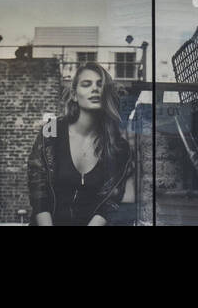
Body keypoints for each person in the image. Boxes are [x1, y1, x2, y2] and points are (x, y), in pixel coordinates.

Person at [28, 61, 134, 225]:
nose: (95, 89)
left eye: (101, 85)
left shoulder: (119, 147)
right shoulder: (52, 131)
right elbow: (39, 194)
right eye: (86, 84)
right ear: (74, 95)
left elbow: (109, 204)